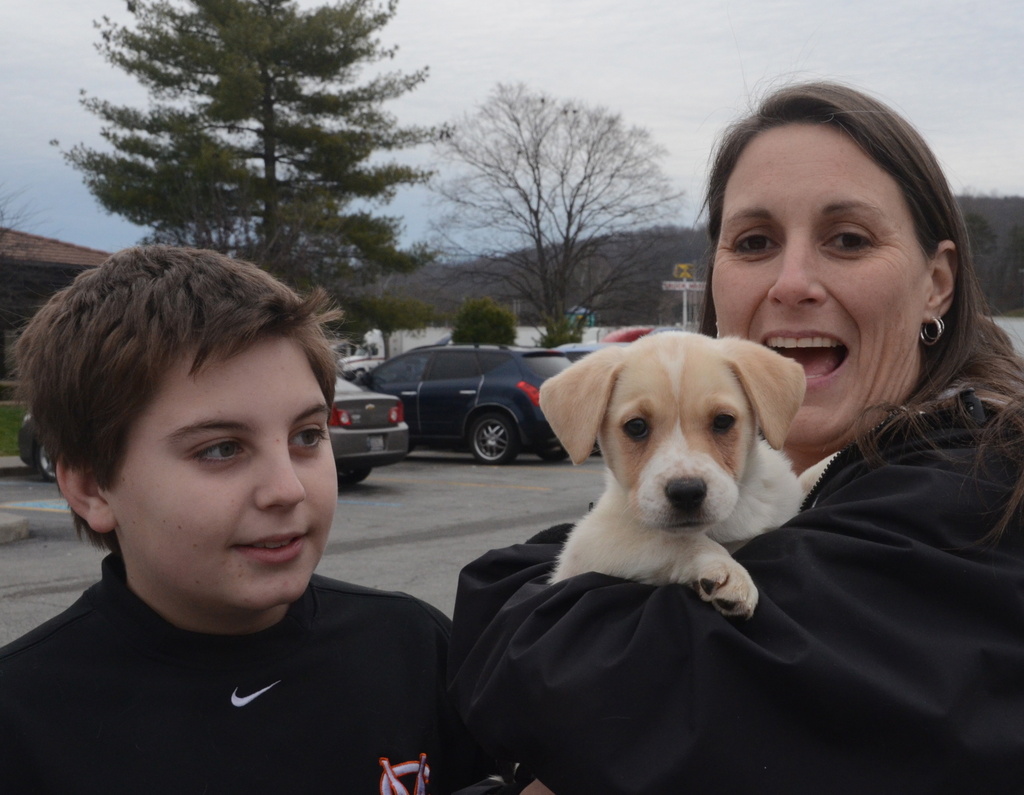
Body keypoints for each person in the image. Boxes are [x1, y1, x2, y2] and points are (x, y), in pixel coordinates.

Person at [446, 81, 1024, 794]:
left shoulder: (977, 497)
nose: (792, 282)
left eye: (848, 238)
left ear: (937, 282)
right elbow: (497, 588)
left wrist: (524, 617)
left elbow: (587, 688)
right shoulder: (838, 481)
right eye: (753, 242)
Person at [0, 245, 499, 793]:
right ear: (92, 486)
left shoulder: (413, 649)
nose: (287, 489)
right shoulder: (23, 718)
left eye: (307, 437)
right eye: (220, 449)